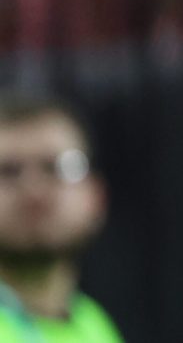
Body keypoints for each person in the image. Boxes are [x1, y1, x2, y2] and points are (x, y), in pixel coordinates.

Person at [0, 93, 122, 343]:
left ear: (96, 197)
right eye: (8, 171)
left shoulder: (93, 322)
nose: (33, 190)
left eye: (57, 167)